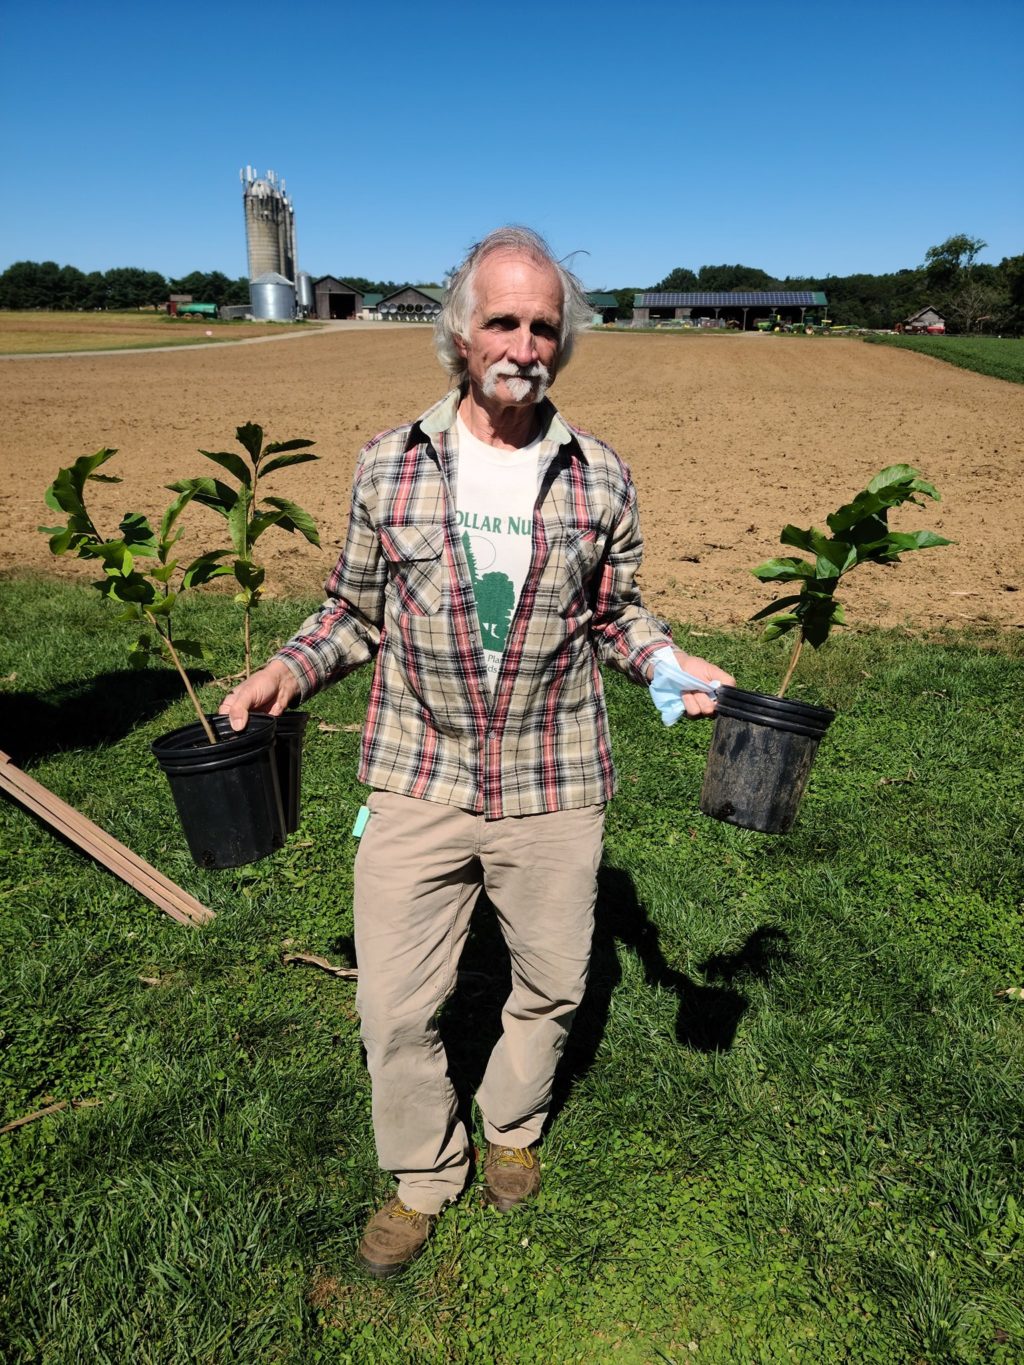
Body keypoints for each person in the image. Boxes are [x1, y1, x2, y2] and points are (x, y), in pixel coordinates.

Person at [220, 226, 734, 1277]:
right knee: (393, 1002)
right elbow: (350, 616)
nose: (524, 342)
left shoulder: (599, 478)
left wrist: (672, 663)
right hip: (418, 773)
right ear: (460, 333)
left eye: (544, 325)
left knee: (549, 982)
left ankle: (510, 1122)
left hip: (555, 778)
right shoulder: (387, 465)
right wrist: (284, 670)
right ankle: (421, 1171)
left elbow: (615, 618)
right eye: (502, 320)